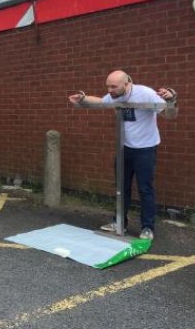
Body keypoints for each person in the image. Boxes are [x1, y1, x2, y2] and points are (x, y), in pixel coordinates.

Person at [68, 70, 178, 240]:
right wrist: (83, 99)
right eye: (108, 86)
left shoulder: (146, 93)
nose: (110, 90)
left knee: (145, 189)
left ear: (127, 84)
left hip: (145, 149)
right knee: (121, 187)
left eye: (113, 86)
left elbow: (169, 115)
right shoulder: (115, 96)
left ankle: (147, 227)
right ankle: (119, 223)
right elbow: (99, 102)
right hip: (124, 148)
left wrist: (171, 100)